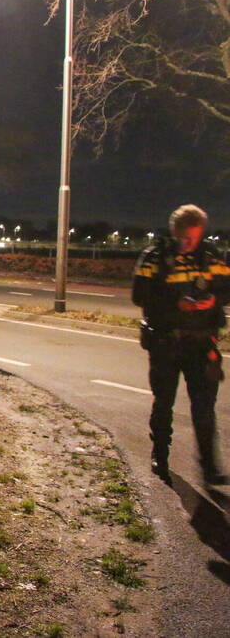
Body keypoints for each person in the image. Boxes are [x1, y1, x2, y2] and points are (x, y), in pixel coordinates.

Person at [133, 204, 229, 485]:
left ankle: (210, 467)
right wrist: (175, 304)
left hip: (202, 345)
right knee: (164, 403)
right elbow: (140, 296)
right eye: (184, 238)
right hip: (166, 344)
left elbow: (226, 287)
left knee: (204, 407)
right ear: (174, 231)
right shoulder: (154, 257)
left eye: (194, 238)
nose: (188, 244)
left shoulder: (211, 257)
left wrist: (214, 300)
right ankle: (160, 456)